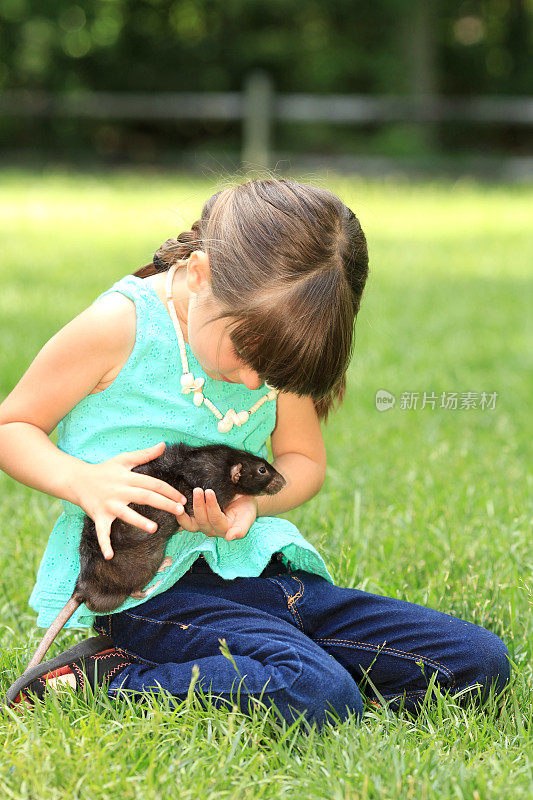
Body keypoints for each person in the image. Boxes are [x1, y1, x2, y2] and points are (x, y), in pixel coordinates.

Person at [0, 177, 510, 727]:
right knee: (318, 692)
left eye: (269, 372)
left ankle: (280, 670)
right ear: (201, 275)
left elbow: (304, 462)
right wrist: (84, 482)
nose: (252, 382)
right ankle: (107, 677)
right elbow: (13, 424)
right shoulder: (119, 326)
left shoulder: (276, 344)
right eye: (244, 354)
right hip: (151, 590)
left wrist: (254, 507)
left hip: (266, 576)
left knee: (477, 664)